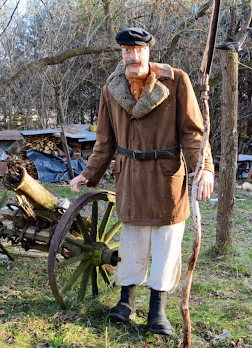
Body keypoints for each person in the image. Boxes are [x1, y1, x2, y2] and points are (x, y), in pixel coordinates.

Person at [70, 27, 214, 335]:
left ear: (148, 52)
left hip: (167, 179)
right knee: (132, 242)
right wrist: (88, 173)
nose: (133, 57)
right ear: (121, 54)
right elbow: (105, 141)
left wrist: (204, 168)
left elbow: (193, 131)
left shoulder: (176, 81)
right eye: (126, 52)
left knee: (166, 245)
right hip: (130, 180)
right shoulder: (111, 88)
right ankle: (125, 304)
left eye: (138, 51)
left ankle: (157, 312)